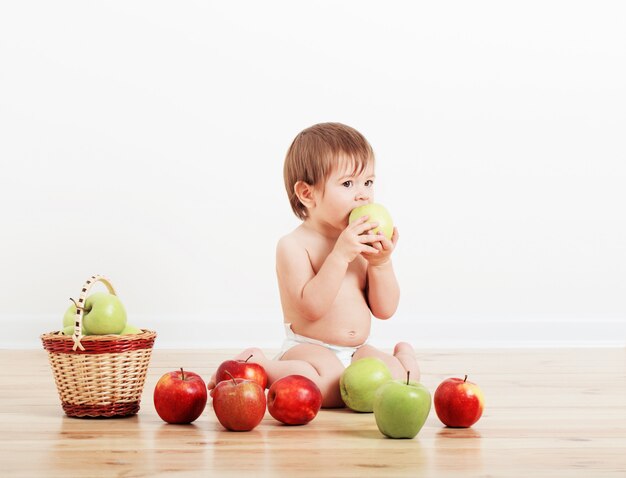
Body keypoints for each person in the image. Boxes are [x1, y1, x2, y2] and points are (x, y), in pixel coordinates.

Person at [208, 122, 419, 408]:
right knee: (327, 389)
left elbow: (385, 309)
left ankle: (403, 355)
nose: (363, 195)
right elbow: (312, 308)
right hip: (310, 350)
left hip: (356, 350)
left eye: (368, 182)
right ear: (307, 194)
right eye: (348, 184)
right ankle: (261, 364)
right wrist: (340, 255)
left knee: (400, 379)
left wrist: (381, 263)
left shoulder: (360, 241)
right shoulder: (294, 245)